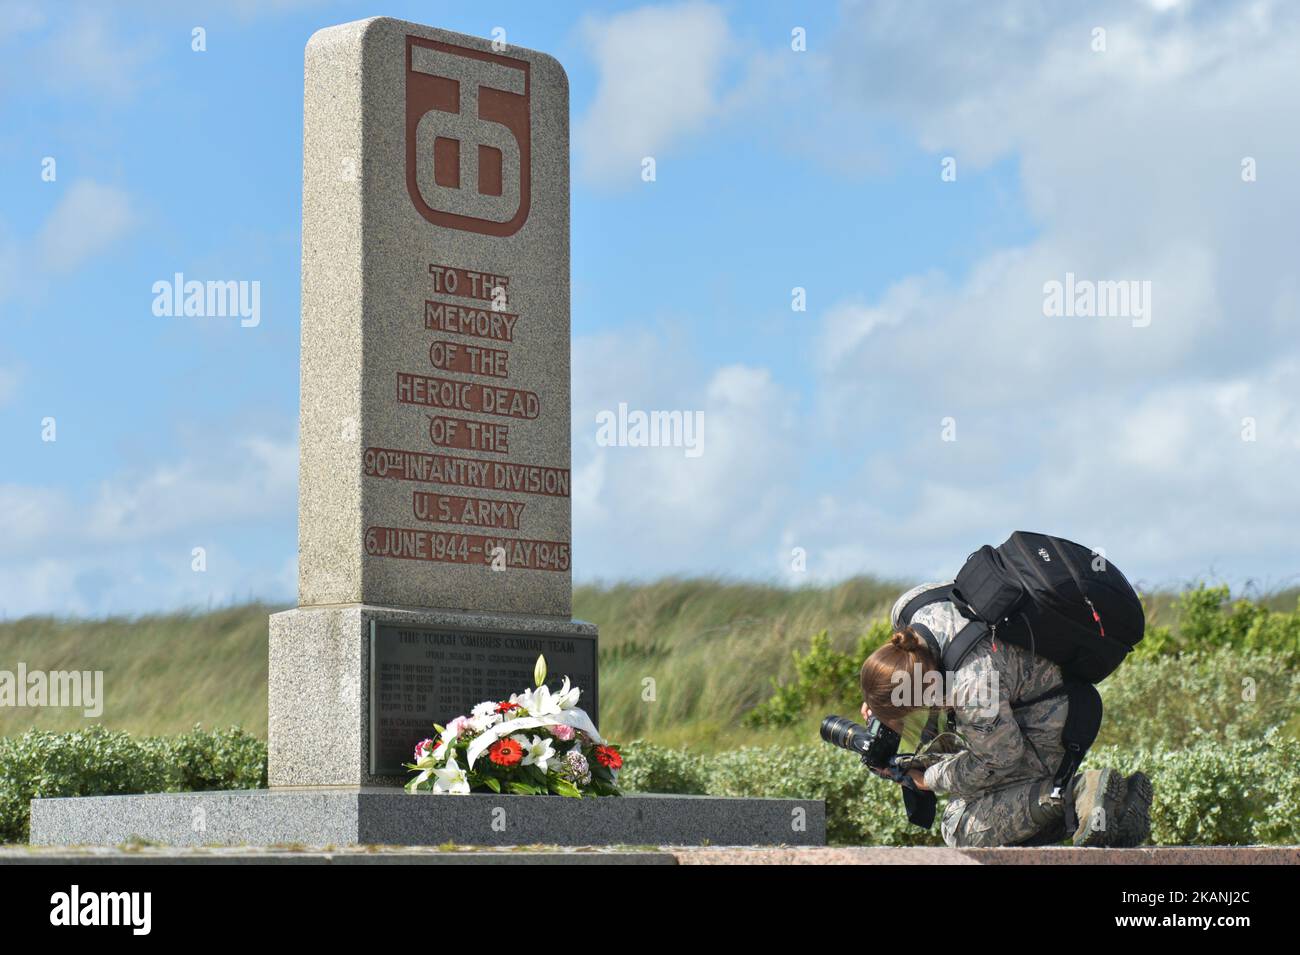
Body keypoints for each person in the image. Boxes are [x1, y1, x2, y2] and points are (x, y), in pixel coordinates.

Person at [859, 580, 1153, 848]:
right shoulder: (911, 607)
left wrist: (927, 779)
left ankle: (1076, 794)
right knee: (969, 760)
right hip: (1034, 689)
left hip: (1050, 721)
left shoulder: (973, 689)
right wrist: (880, 693)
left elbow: (1001, 758)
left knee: (959, 824)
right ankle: (1117, 806)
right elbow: (909, 663)